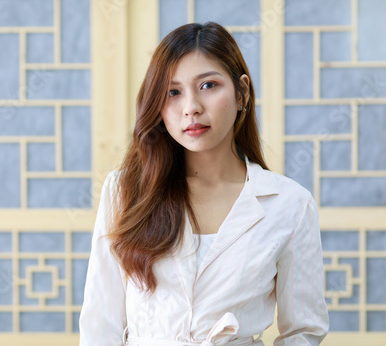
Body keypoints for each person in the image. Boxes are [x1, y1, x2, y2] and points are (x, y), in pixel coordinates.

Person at [79, 22, 329, 345]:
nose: (191, 108)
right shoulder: (125, 192)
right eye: (173, 92)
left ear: (242, 93)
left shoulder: (290, 205)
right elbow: (100, 327)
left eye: (208, 85)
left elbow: (304, 330)